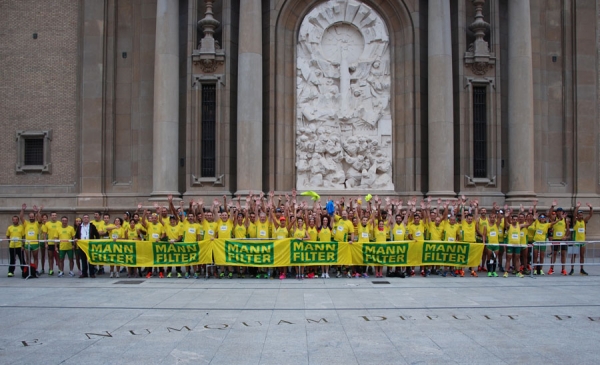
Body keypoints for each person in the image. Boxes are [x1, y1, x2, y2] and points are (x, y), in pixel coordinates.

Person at [571, 202, 593, 275]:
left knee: (582, 255)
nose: (581, 216)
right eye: (579, 215)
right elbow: (574, 215)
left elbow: (590, 215)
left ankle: (581, 269)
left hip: (582, 241)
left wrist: (591, 208)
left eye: (581, 215)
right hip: (576, 241)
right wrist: (577, 207)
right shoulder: (575, 221)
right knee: (573, 255)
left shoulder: (584, 221)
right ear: (577, 216)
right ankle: (572, 269)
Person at [548, 201, 569, 275]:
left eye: (561, 211)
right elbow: (549, 214)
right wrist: (552, 206)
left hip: (562, 239)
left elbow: (568, 230)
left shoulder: (566, 220)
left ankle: (563, 269)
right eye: (558, 211)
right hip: (555, 238)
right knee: (554, 254)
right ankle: (551, 268)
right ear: (556, 212)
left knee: (563, 254)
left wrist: (565, 236)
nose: (560, 212)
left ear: (562, 212)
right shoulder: (554, 218)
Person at [20, 204, 42, 274]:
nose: (31, 218)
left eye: (32, 217)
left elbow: (40, 219)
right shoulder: (26, 223)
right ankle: (28, 270)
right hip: (27, 244)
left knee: (35, 258)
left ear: (34, 217)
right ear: (29, 217)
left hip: (35, 243)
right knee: (28, 258)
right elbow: (21, 217)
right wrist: (23, 210)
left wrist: (37, 212)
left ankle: (35, 270)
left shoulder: (37, 223)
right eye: (30, 217)